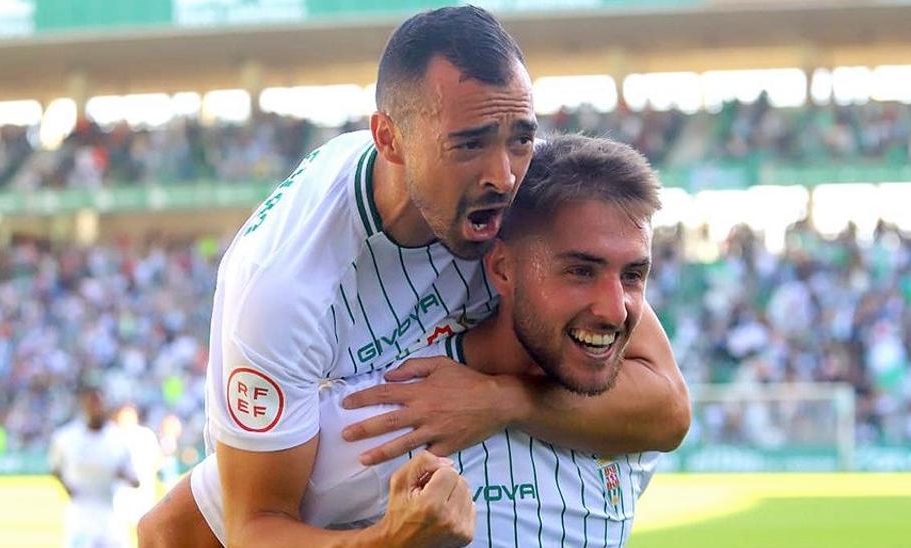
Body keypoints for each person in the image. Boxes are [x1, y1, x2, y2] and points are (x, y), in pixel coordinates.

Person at [139, 6, 688, 547]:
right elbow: (245, 525)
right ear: (390, 138)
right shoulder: (283, 291)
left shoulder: (530, 198)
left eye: (521, 137)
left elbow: (666, 406)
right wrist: (389, 539)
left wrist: (503, 401)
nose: (503, 174)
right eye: (470, 143)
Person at [186, 135, 668, 547]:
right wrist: (387, 541)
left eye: (633, 275)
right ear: (501, 268)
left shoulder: (626, 412)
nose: (615, 309)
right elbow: (174, 532)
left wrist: (507, 402)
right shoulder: (395, 414)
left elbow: (673, 414)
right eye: (579, 271)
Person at [50, 384, 140, 548]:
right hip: (80, 514)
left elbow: (135, 479)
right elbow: (55, 469)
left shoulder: (118, 438)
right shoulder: (66, 438)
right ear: (83, 405)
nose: (95, 407)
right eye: (91, 402)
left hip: (110, 514)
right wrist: (67, 488)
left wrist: (124, 476)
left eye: (99, 402)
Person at [113, 404, 163, 531]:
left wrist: (145, 475)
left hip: (143, 486)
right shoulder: (114, 436)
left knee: (143, 527)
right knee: (120, 529)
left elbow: (156, 460)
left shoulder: (145, 434)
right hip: (121, 489)